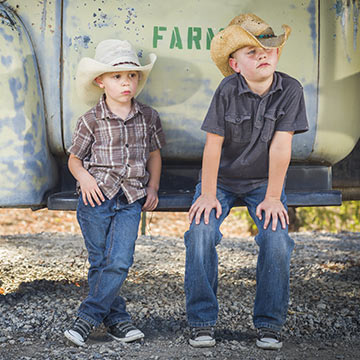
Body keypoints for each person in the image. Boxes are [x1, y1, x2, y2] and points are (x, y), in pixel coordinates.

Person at [184, 13, 309, 350]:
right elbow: (213, 145)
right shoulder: (227, 90)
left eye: (268, 48)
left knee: (276, 239)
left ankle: (270, 324)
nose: (262, 55)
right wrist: (208, 193)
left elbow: (282, 146)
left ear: (278, 55)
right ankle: (201, 321)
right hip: (221, 180)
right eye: (251, 52)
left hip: (263, 182)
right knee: (200, 232)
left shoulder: (290, 90)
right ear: (235, 64)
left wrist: (272, 197)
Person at [64, 39, 165, 347]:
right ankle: (118, 320)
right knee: (100, 262)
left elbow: (154, 155)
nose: (126, 82)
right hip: (96, 199)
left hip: (130, 199)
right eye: (117, 77)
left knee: (119, 261)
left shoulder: (148, 117)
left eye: (132, 76)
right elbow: (74, 159)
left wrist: (153, 187)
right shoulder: (90, 120)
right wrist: (85, 179)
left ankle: (87, 319)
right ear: (101, 81)